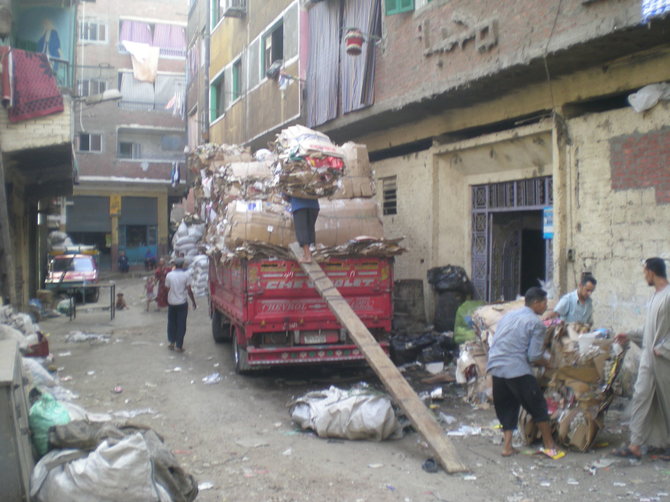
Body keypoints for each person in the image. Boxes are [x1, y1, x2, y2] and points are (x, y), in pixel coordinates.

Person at [486, 286, 565, 459]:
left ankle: (507, 447)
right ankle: (550, 446)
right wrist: (548, 363)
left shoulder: (508, 316)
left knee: (507, 405)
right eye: (544, 303)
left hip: (496, 365)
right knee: (538, 406)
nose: (546, 307)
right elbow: (534, 355)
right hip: (516, 368)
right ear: (536, 303)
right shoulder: (536, 323)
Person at [612, 257, 670, 460]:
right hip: (650, 358)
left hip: (663, 360)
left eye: (645, 272)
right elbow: (649, 329)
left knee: (666, 403)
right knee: (641, 397)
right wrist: (629, 335)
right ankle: (636, 445)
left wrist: (664, 348)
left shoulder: (669, 296)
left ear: (652, 272)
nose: (644, 276)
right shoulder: (656, 297)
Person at [164, 258, 197, 352]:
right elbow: (189, 290)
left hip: (172, 302)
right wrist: (193, 302)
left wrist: (170, 296)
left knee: (171, 323)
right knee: (181, 324)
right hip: (182, 303)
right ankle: (179, 346)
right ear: (182, 265)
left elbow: (167, 288)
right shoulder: (186, 275)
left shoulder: (169, 275)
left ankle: (171, 342)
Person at [289, 196, 319, 263]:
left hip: (299, 205)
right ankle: (309, 254)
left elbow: (286, 194)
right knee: (310, 229)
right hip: (314, 206)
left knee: (301, 231)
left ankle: (307, 257)